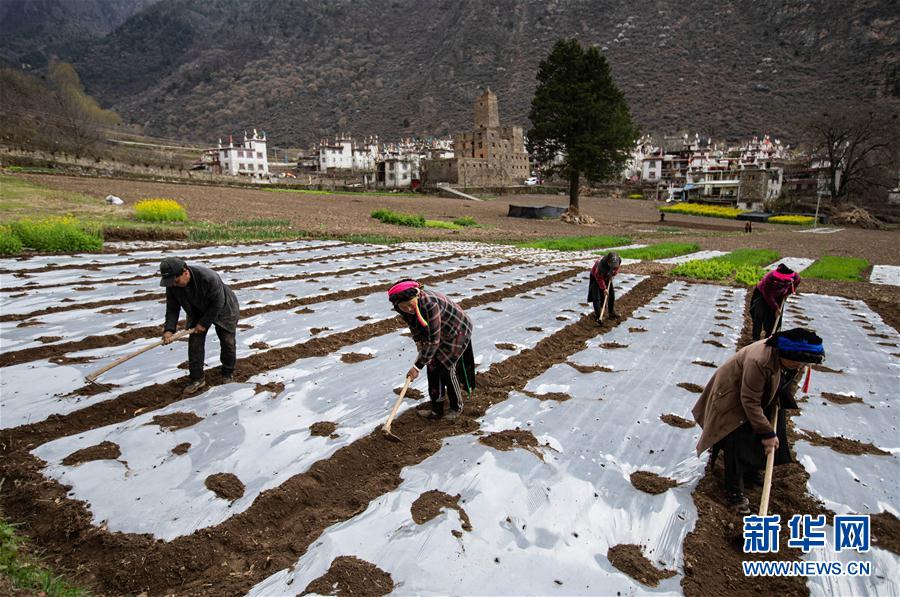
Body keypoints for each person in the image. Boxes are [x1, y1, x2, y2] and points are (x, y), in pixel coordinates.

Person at [692, 328, 825, 513]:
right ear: (785, 355)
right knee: (736, 438)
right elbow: (749, 401)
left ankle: (751, 472)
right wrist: (767, 434)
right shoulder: (760, 360)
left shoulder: (796, 362)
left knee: (765, 428)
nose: (801, 366)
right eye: (797, 362)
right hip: (732, 393)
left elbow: (792, 383)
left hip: (760, 392)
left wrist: (780, 399)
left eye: (803, 363)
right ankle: (734, 492)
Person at [388, 279, 475, 421]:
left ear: (416, 295)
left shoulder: (430, 304)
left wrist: (417, 367)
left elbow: (434, 340)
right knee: (433, 367)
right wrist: (418, 343)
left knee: (446, 368)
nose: (409, 309)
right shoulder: (400, 307)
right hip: (436, 331)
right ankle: (437, 410)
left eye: (410, 305)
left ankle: (456, 407)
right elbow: (414, 325)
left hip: (456, 330)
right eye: (404, 307)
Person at [160, 257, 240, 394]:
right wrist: (169, 329)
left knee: (228, 342)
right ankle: (197, 378)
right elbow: (172, 309)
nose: (174, 285)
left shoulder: (208, 278)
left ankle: (227, 373)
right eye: (171, 282)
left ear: (185, 272)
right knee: (195, 343)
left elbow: (217, 303)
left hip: (224, 309)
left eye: (176, 281)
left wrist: (203, 323)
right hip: (196, 310)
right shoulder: (172, 286)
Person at [750, 264, 801, 340]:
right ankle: (755, 338)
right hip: (762, 294)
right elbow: (767, 294)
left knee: (774, 319)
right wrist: (775, 307)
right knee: (759, 314)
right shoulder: (769, 277)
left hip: (779, 296)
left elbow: (794, 285)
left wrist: (787, 292)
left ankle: (768, 338)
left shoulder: (796, 277)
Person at [588, 252, 621, 323]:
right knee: (596, 297)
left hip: (607, 275)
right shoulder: (600, 265)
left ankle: (611, 312)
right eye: (611, 265)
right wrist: (604, 288)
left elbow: (617, 268)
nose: (613, 266)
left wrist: (613, 274)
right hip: (596, 277)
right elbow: (598, 277)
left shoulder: (618, 260)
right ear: (608, 262)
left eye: (614, 265)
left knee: (611, 294)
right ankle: (599, 316)